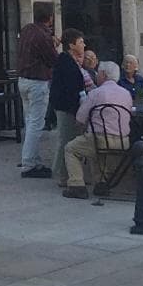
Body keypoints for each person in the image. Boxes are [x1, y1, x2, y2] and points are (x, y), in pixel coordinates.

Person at [63, 61, 133, 198]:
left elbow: (80, 119)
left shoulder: (96, 93)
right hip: (123, 141)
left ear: (103, 75)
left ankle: (76, 185)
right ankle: (101, 183)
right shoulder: (126, 94)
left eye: (98, 73)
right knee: (96, 150)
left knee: (71, 149)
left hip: (100, 139)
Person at [16, 2, 58, 179]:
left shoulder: (26, 30)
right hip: (37, 82)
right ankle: (29, 164)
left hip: (23, 80)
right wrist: (55, 45)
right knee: (36, 123)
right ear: (50, 18)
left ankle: (33, 158)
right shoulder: (43, 36)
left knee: (29, 121)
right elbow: (52, 60)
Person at [49, 28, 86, 189]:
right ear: (71, 45)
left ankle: (64, 173)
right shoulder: (65, 62)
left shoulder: (69, 61)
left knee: (68, 140)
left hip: (68, 106)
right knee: (66, 140)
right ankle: (63, 175)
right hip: (67, 107)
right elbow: (69, 88)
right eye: (80, 42)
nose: (83, 45)